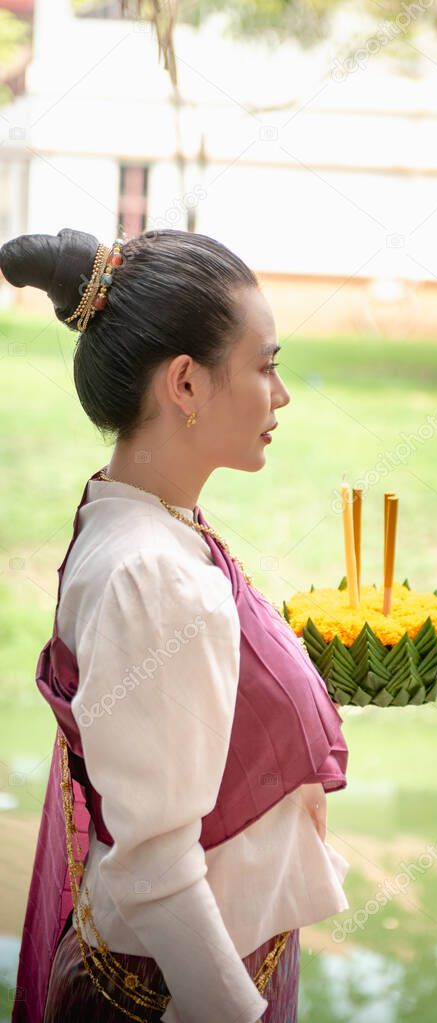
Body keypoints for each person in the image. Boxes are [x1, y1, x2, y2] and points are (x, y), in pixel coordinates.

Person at [0, 228, 350, 1023]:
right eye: (266, 365)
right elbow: (156, 861)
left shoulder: (142, 520)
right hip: (172, 994)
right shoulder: (150, 573)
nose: (282, 393)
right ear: (186, 384)